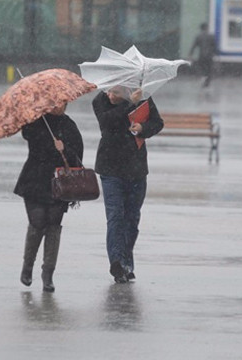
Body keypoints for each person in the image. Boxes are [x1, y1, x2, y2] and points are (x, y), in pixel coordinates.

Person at [92, 86, 163, 283]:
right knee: (115, 216)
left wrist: (143, 129)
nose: (110, 95)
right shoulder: (100, 100)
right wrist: (130, 104)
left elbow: (157, 123)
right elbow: (107, 122)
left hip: (136, 169)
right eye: (109, 91)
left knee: (132, 219)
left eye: (115, 92)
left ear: (125, 90)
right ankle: (116, 262)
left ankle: (126, 262)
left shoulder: (143, 98)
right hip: (110, 168)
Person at [14, 103, 84, 293]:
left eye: (62, 103)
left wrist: (64, 149)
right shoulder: (36, 122)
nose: (58, 106)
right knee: (37, 222)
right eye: (54, 103)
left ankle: (48, 274)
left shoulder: (69, 125)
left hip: (59, 183)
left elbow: (78, 157)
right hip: (34, 179)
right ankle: (28, 267)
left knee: (53, 225)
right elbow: (29, 135)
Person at [189, 22, 217, 88]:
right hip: (209, 56)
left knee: (202, 68)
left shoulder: (198, 36)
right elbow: (214, 46)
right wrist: (216, 54)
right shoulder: (211, 36)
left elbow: (194, 46)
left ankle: (203, 78)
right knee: (209, 69)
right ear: (207, 28)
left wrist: (190, 54)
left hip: (201, 56)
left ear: (201, 29)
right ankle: (207, 81)